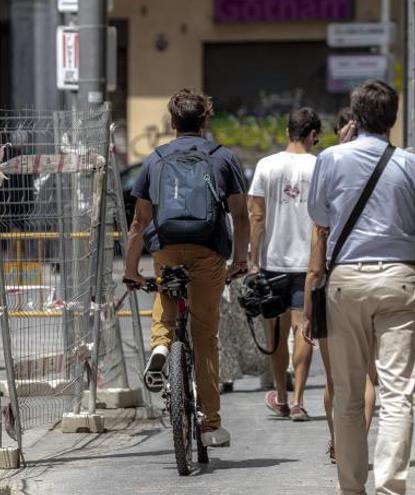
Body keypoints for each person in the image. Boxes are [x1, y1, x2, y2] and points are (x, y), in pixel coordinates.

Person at [306, 80, 415, 495]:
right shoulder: (410, 163)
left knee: (349, 394)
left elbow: (319, 213)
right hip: (398, 280)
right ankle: (390, 488)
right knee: (397, 393)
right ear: (393, 118)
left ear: (353, 118)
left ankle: (351, 488)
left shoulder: (330, 159)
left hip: (346, 281)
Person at [123, 88, 250, 447]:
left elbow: (139, 222)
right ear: (205, 120)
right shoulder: (223, 158)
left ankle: (161, 347)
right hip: (209, 249)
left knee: (166, 291)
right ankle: (210, 425)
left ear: (172, 122)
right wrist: (241, 259)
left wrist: (132, 270)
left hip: (166, 248)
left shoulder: (155, 159)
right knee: (205, 334)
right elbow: (240, 215)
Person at [307, 108, 380, 463]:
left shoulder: (329, 186)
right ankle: (358, 443)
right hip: (374, 281)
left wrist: (307, 310)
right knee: (368, 374)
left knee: (335, 378)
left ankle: (338, 442)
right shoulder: (382, 174)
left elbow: (315, 264)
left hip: (334, 287)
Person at [247, 107, 321, 421]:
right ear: (313, 134)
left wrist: (253, 259)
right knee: (304, 330)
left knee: (275, 334)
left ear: (288, 131)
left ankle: (280, 394)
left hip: (272, 264)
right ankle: (300, 400)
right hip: (308, 264)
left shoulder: (266, 165)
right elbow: (323, 220)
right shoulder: (320, 166)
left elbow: (257, 216)